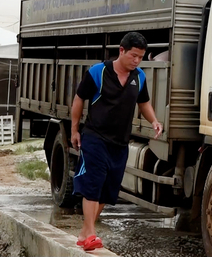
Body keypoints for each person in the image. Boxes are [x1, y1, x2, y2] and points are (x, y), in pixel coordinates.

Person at [70, 32, 163, 251]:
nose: (137, 61)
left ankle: (85, 232)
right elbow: (78, 99)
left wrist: (155, 120)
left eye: (140, 57)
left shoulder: (139, 76)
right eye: (133, 55)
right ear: (121, 50)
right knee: (92, 185)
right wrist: (75, 130)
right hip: (94, 137)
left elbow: (144, 103)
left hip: (120, 143)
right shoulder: (98, 72)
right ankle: (91, 233)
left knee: (107, 191)